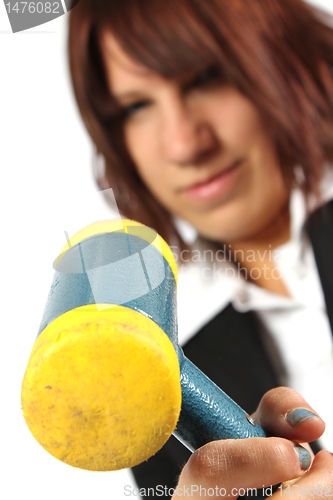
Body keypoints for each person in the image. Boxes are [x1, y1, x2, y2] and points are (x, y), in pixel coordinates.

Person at [68, 0, 333, 498]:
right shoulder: (163, 408)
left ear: (285, 56)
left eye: (206, 77)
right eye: (136, 106)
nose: (184, 144)